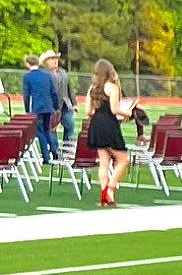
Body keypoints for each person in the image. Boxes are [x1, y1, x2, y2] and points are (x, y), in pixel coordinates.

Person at [84, 60, 133, 206]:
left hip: (96, 123)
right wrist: (128, 112)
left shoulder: (92, 88)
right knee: (123, 159)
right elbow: (114, 109)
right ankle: (110, 188)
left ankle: (104, 191)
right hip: (109, 123)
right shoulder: (111, 87)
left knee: (103, 163)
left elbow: (88, 111)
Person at [21, 53, 59, 163]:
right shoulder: (47, 75)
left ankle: (46, 156)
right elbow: (53, 92)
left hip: (37, 107)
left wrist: (27, 110)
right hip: (48, 106)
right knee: (47, 130)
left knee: (39, 132)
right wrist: (56, 106)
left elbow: (26, 95)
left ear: (28, 63)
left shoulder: (27, 76)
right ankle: (53, 149)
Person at [43, 50, 75, 154]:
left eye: (56, 58)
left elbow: (69, 88)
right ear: (46, 62)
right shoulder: (44, 74)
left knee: (69, 125)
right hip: (51, 106)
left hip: (66, 105)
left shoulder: (63, 72)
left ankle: (67, 148)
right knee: (52, 128)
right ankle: (54, 151)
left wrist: (74, 104)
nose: (55, 61)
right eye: (53, 59)